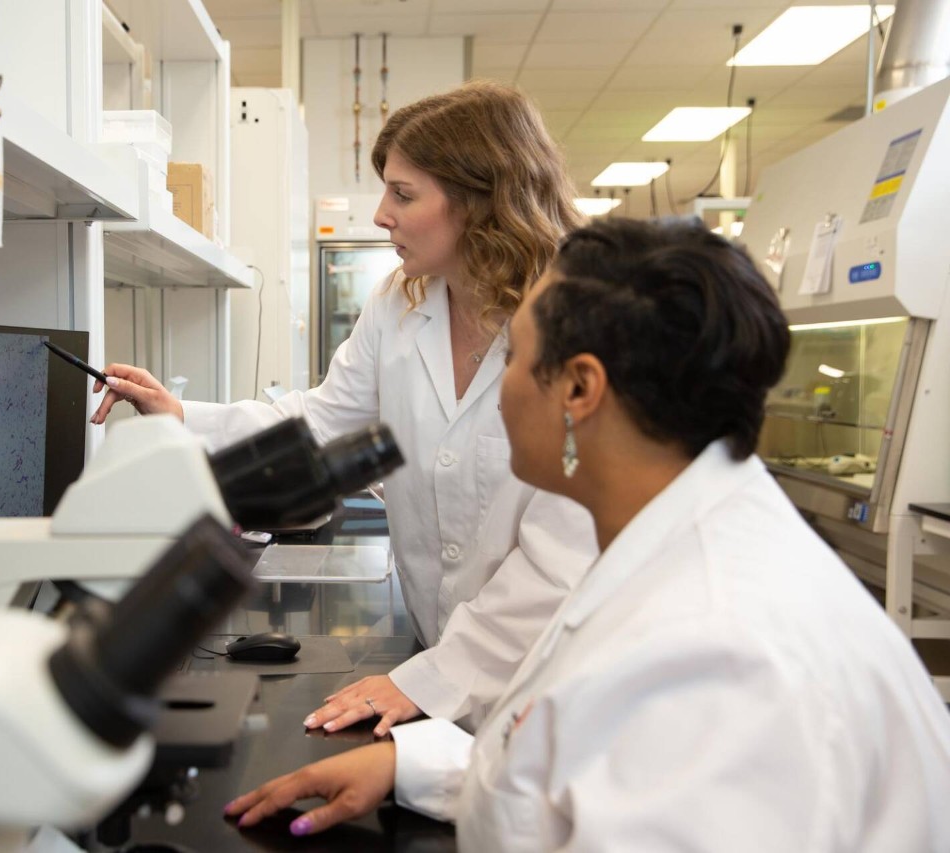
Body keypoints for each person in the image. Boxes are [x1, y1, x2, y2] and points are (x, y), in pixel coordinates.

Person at [222, 218, 950, 849]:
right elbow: (619, 771)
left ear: (579, 389)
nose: (494, 388)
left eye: (513, 357)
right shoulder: (674, 540)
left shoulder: (721, 648)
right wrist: (412, 767)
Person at [91, 81, 597, 735]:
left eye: (404, 194)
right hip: (432, 666)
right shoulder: (401, 302)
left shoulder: (575, 321)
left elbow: (565, 549)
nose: (381, 213)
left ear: (480, 201)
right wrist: (182, 417)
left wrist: (437, 678)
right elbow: (323, 421)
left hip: (549, 681)